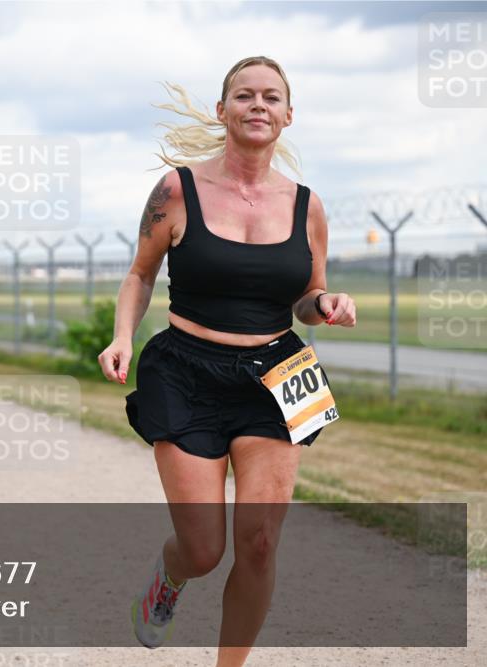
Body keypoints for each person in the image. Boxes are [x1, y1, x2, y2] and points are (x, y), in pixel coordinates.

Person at [97, 57, 356, 667]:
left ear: (288, 116)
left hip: (278, 375)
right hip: (185, 371)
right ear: (223, 111)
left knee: (261, 543)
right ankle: (169, 575)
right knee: (204, 548)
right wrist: (120, 338)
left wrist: (328, 303)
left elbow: (306, 299)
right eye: (244, 96)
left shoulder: (308, 205)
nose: (258, 105)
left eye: (271, 97)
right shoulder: (175, 191)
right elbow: (140, 275)